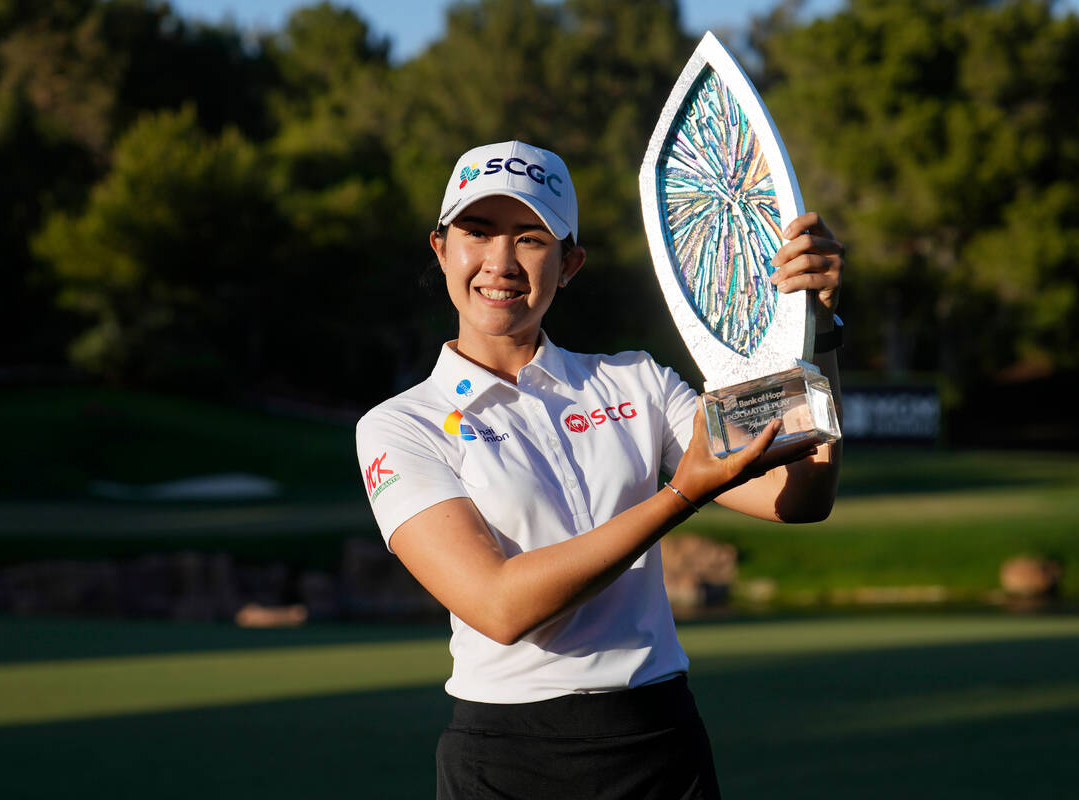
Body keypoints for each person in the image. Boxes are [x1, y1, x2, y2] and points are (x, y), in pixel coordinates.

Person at [356, 140, 844, 799]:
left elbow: (798, 492)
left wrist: (814, 329)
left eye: (530, 238)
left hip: (660, 745)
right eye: (478, 232)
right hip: (508, 761)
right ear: (441, 248)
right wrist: (680, 495)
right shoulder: (400, 424)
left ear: (569, 264)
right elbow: (498, 605)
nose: (500, 262)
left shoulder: (637, 379)